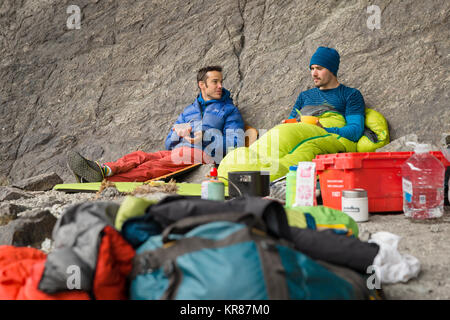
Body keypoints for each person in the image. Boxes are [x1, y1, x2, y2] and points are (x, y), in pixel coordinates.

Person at [67, 65, 245, 182]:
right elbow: (168, 141)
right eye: (215, 82)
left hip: (203, 155)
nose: (220, 85)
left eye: (221, 81)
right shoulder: (189, 110)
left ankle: (106, 180)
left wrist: (205, 136)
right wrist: (179, 134)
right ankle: (105, 170)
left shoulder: (228, 110)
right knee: (141, 156)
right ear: (202, 85)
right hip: (176, 152)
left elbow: (235, 145)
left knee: (151, 168)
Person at [286, 46, 365, 142]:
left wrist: (323, 130)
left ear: (331, 70)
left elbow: (355, 131)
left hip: (326, 141)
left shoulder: (350, 95)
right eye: (312, 68)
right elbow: (290, 124)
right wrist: (286, 124)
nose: (313, 74)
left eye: (319, 68)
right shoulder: (304, 96)